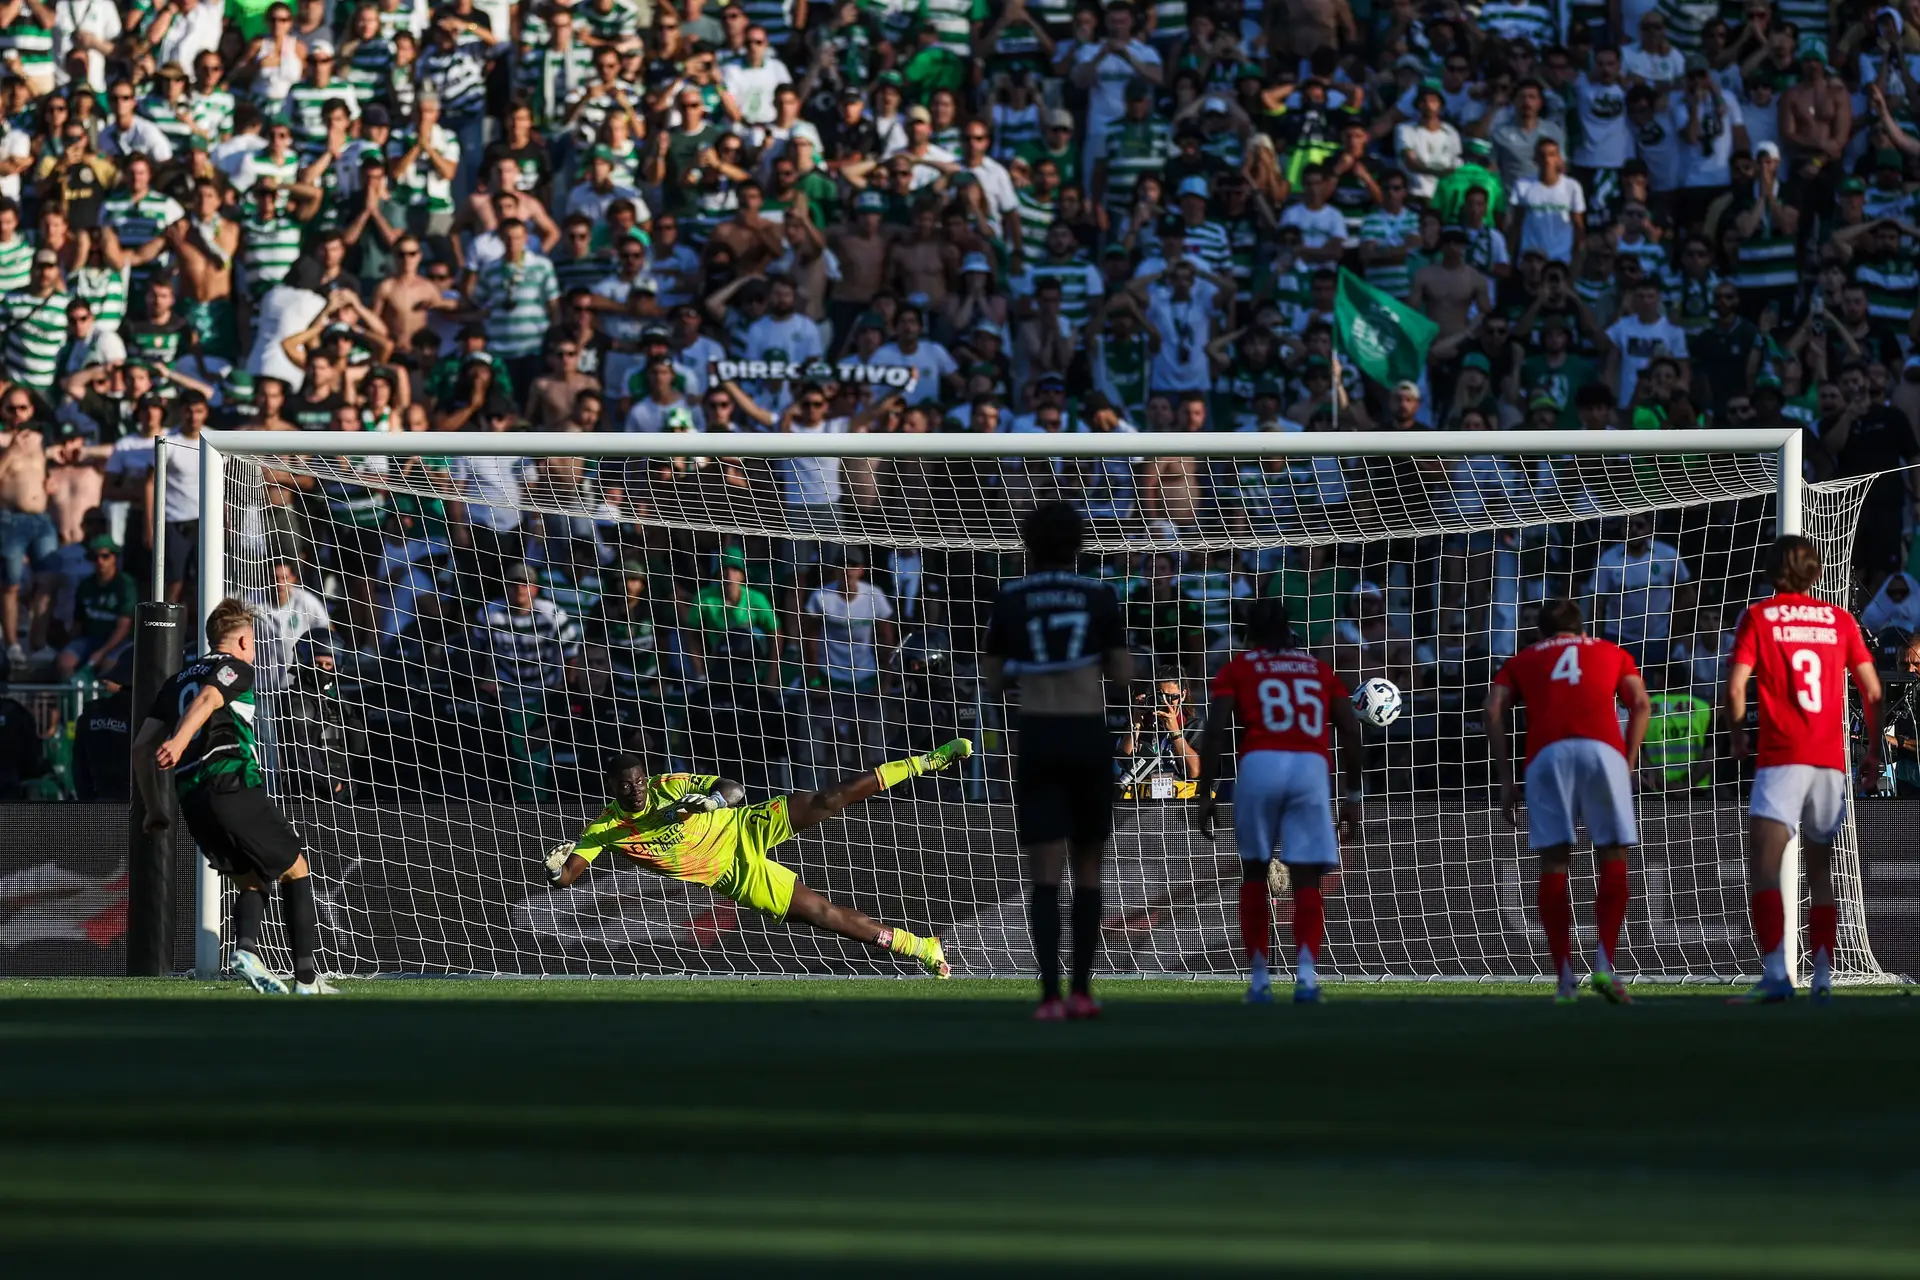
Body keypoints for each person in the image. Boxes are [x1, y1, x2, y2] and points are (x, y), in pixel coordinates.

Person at [542, 745, 969, 977]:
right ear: (612, 788)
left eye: (638, 781)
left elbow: (734, 789)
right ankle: (921, 947)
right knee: (823, 914)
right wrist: (554, 869)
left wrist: (711, 802)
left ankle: (925, 762)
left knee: (826, 799)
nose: (636, 790)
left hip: (743, 826)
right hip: (735, 874)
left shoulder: (668, 785)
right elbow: (567, 877)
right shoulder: (605, 829)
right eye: (626, 786)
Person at [129, 598, 332, 995]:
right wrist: (180, 740)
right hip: (230, 782)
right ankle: (308, 980)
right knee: (296, 868)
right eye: (253, 642)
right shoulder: (235, 668)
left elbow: (140, 749)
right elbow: (208, 699)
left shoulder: (175, 681)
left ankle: (246, 951)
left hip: (192, 799)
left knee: (252, 879)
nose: (253, 650)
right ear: (241, 642)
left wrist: (154, 808)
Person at [981, 501, 1132, 1019]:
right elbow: (1122, 674)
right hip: (1086, 733)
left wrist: (1030, 669)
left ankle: (1049, 997)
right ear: (1078, 544)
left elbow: (993, 679)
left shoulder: (1011, 597)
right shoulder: (1099, 595)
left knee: (1044, 871)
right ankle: (1083, 992)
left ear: (1029, 544)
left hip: (1039, 734)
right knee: (1088, 866)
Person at [1724, 536, 1883, 1004]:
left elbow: (1735, 687)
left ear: (1772, 570)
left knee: (1765, 866)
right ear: (1815, 572)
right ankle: (1823, 977)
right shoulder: (1839, 619)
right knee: (1820, 871)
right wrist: (1873, 751)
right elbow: (1873, 691)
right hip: (1829, 762)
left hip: (1781, 758)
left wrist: (1738, 735)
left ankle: (1776, 973)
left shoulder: (1760, 616)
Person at [1194, 598, 1364, 1004]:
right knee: (1307, 877)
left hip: (1259, 764)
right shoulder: (1319, 669)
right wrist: (1353, 794)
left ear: (1249, 635)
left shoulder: (1237, 668)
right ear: (1289, 631)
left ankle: (1259, 981)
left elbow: (1215, 730)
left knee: (1254, 872)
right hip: (1309, 767)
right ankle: (1305, 978)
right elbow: (1350, 729)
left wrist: (1206, 791)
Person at [1484, 597, 1651, 1004]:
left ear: (1539, 632)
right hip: (1603, 752)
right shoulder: (1612, 651)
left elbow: (1493, 708)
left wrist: (1506, 780)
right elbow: (1641, 703)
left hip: (1547, 756)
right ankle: (1605, 965)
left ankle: (1564, 979)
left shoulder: (1524, 658)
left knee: (1555, 862)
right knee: (1613, 854)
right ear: (1582, 630)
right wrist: (1627, 763)